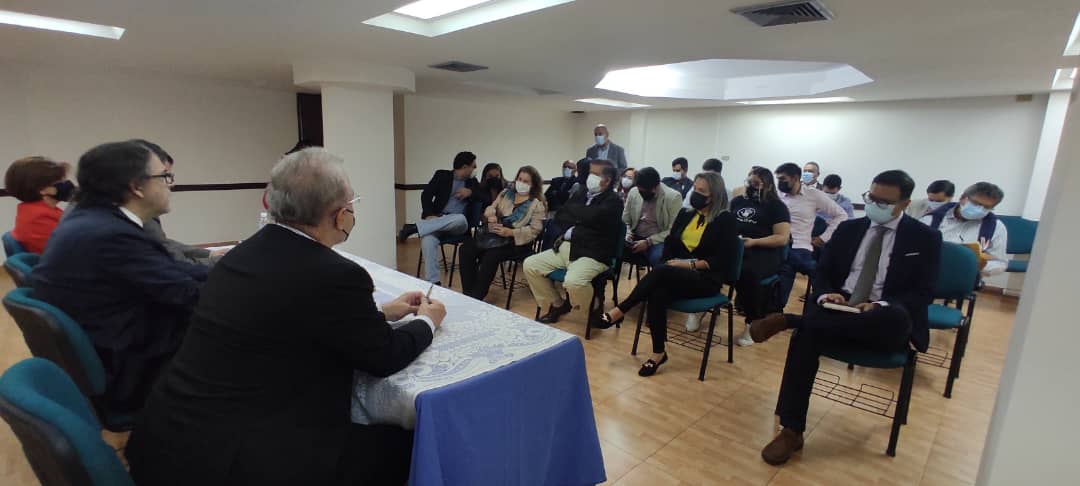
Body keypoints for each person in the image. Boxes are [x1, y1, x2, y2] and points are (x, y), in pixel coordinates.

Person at [126, 148, 445, 486]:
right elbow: (384, 355)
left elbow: (283, 317)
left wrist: (382, 311)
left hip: (169, 436)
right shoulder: (336, 275)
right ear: (339, 216)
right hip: (243, 459)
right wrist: (427, 320)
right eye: (353, 204)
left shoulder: (241, 253)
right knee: (411, 445)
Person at [748, 170, 941, 466]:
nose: (875, 204)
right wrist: (828, 295)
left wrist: (881, 304)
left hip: (884, 320)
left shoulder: (924, 237)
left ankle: (791, 320)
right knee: (806, 340)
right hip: (839, 309)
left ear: (904, 203)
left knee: (895, 317)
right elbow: (823, 273)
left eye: (884, 201)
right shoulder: (850, 229)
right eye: (871, 197)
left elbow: (923, 292)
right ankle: (791, 430)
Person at [31, 141, 209, 418]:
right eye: (164, 177)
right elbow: (188, 295)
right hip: (132, 367)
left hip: (113, 342)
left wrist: (232, 269)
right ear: (137, 186)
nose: (170, 185)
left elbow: (170, 270)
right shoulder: (110, 235)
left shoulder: (95, 220)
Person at [594, 172, 739, 377]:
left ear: (713, 196)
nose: (695, 193)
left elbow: (721, 261)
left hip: (705, 277)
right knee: (657, 292)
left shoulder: (726, 220)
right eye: (694, 189)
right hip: (674, 273)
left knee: (661, 272)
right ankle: (658, 353)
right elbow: (670, 244)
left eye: (701, 191)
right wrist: (673, 264)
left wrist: (685, 265)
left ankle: (621, 310)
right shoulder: (686, 214)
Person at [524, 160, 623, 324]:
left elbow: (594, 219)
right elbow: (561, 215)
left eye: (595, 174)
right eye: (590, 172)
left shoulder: (614, 201)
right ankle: (558, 304)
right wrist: (584, 216)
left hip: (592, 253)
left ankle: (593, 307)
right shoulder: (581, 192)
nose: (589, 177)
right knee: (530, 265)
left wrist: (577, 214)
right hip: (566, 247)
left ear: (607, 179)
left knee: (573, 282)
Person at [131, 139, 226, 266]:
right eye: (164, 176)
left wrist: (208, 254)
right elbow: (176, 265)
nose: (171, 183)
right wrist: (224, 261)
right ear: (138, 183)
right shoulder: (133, 216)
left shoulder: (135, 211)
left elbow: (162, 243)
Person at [459, 166, 547, 301]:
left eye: (526, 181)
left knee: (490, 256)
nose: (521, 183)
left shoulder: (537, 204)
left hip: (516, 242)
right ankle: (468, 294)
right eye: (519, 179)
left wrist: (511, 232)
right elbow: (491, 208)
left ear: (533, 185)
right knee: (466, 249)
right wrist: (491, 215)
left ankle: (476, 297)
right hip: (494, 235)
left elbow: (534, 231)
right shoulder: (506, 193)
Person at [398, 151, 479, 284]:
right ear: (465, 167)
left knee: (459, 218)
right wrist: (429, 214)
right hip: (437, 220)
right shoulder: (442, 175)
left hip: (458, 225)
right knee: (428, 239)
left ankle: (414, 228)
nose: (475, 169)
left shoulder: (472, 183)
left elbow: (484, 196)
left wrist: (470, 192)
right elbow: (426, 195)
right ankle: (434, 283)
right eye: (473, 166)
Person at [730, 167, 791, 345]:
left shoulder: (776, 206)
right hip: (738, 248)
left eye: (756, 183)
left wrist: (755, 242)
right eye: (749, 182)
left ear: (768, 185)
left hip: (763, 251)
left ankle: (753, 323)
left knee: (747, 273)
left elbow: (782, 238)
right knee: (712, 264)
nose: (751, 186)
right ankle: (702, 308)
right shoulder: (738, 201)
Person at [775, 163, 847, 310]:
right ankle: (775, 309)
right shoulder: (776, 195)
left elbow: (841, 215)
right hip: (778, 243)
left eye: (783, 179)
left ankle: (776, 309)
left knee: (788, 263)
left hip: (800, 247)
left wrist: (823, 238)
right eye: (777, 179)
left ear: (795, 178)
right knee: (785, 264)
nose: (779, 183)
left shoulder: (814, 195)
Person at [921, 182, 1008, 277]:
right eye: (976, 203)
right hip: (927, 274)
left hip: (965, 277)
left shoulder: (996, 227)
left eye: (986, 207)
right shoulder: (932, 219)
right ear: (962, 198)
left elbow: (1000, 263)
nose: (979, 209)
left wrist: (974, 264)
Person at [5, 156, 74, 254]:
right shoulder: (38, 219)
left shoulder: (35, 209)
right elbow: (71, 248)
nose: (66, 184)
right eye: (60, 181)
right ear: (42, 189)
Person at [622, 167, 682, 268]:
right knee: (611, 248)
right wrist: (627, 232)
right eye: (639, 190)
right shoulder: (634, 192)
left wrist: (648, 242)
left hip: (657, 239)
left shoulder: (673, 197)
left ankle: (654, 283)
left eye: (644, 192)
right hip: (634, 236)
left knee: (658, 257)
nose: (641, 194)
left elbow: (672, 230)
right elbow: (625, 219)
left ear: (655, 187)